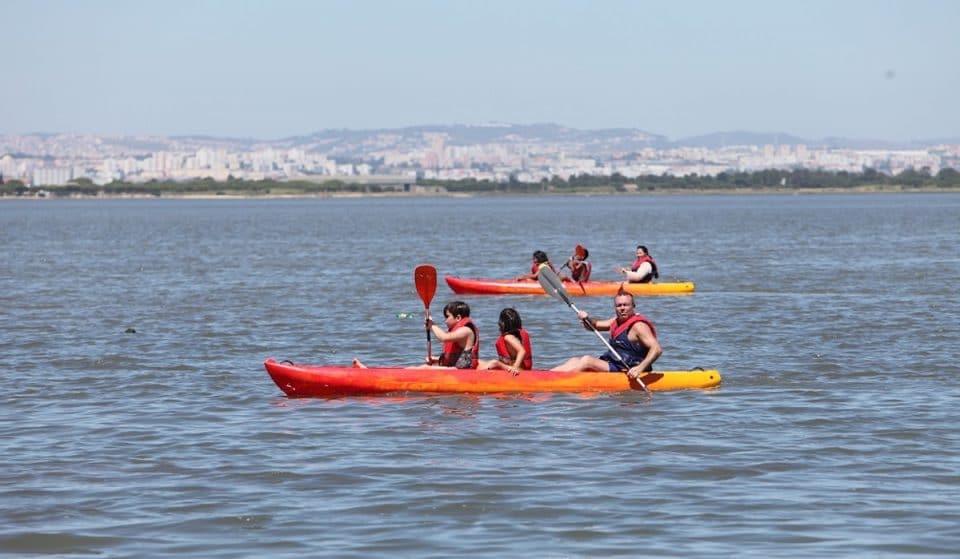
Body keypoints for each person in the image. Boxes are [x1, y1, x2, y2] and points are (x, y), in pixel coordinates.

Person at [550, 289, 662, 381]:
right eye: (619, 306)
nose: (622, 308)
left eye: (626, 305)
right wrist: (586, 319)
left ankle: (559, 381)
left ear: (633, 306)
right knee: (574, 360)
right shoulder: (616, 321)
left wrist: (640, 368)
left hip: (629, 368)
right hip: (614, 363)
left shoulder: (639, 326)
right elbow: (594, 326)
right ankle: (547, 374)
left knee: (587, 360)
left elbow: (656, 349)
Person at [353, 300, 479, 369]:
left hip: (462, 372)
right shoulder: (458, 330)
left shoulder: (465, 331)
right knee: (422, 367)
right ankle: (371, 371)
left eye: (447, 317)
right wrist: (435, 359)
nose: (445, 320)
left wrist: (432, 325)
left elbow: (444, 338)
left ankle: (369, 373)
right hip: (456, 370)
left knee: (424, 369)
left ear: (457, 318)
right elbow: (454, 355)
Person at [478, 308, 533, 375]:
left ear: (502, 323)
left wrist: (515, 367)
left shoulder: (508, 337)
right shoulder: (515, 335)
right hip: (513, 367)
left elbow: (522, 351)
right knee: (479, 362)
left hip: (516, 369)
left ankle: (474, 375)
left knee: (494, 363)